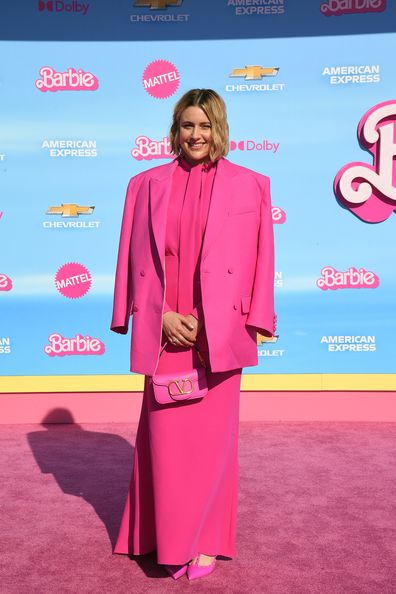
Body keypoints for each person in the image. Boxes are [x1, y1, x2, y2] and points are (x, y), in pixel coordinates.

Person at [110, 88, 276, 581]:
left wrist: (245, 321)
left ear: (219, 129)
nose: (196, 135)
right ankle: (160, 536)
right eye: (187, 125)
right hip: (166, 336)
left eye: (205, 126)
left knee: (211, 447)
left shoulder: (252, 185)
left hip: (217, 336)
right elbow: (130, 259)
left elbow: (263, 260)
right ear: (175, 130)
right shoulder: (144, 184)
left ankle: (204, 539)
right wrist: (149, 315)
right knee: (164, 442)